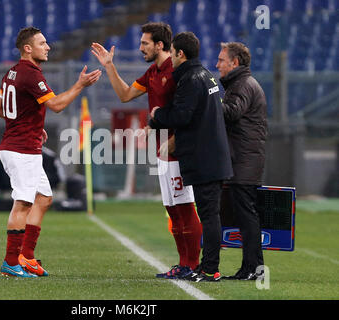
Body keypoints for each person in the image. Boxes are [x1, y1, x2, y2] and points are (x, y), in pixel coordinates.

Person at [91, 22, 202, 279]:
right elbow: (125, 95)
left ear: (160, 45)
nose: (141, 47)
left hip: (179, 150)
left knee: (185, 207)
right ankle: (183, 264)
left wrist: (170, 139)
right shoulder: (153, 72)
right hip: (161, 151)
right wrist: (109, 66)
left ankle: (193, 265)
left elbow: (186, 114)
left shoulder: (178, 73)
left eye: (145, 43)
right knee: (172, 209)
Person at [0, 27, 101, 278]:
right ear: (27, 48)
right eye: (42, 43)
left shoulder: (12, 72)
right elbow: (57, 105)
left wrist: (29, 124)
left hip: (21, 145)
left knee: (44, 198)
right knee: (23, 204)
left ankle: (26, 257)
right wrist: (79, 85)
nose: (48, 47)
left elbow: (0, 108)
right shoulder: (31, 73)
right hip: (21, 151)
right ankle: (11, 262)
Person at [150, 32, 233, 282]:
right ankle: (206, 267)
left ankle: (210, 269)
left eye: (173, 53)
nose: (171, 58)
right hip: (213, 156)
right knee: (209, 215)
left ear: (180, 54)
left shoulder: (190, 78)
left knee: (208, 216)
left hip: (205, 159)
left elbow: (182, 116)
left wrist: (157, 115)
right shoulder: (207, 75)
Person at [216, 42, 267, 280]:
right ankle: (250, 268)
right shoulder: (243, 83)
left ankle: (254, 269)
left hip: (244, 160)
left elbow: (232, 112)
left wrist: (211, 101)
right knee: (245, 216)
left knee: (246, 216)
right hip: (244, 159)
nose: (217, 65)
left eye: (221, 60)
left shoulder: (242, 85)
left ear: (234, 63)